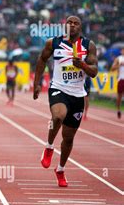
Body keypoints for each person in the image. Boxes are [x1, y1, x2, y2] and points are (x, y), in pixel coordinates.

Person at [33, 16, 98, 187]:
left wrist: (82, 65)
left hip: (77, 95)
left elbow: (94, 71)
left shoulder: (88, 46)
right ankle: (48, 146)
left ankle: (60, 169)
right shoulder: (53, 43)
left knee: (68, 139)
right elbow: (41, 60)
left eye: (76, 23)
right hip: (58, 89)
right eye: (70, 22)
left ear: (81, 27)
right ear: (65, 26)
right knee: (58, 116)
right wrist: (37, 83)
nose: (73, 25)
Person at [110, 48, 124, 119]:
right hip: (121, 79)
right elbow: (112, 68)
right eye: (122, 50)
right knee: (119, 97)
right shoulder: (119, 59)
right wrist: (120, 65)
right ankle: (118, 110)